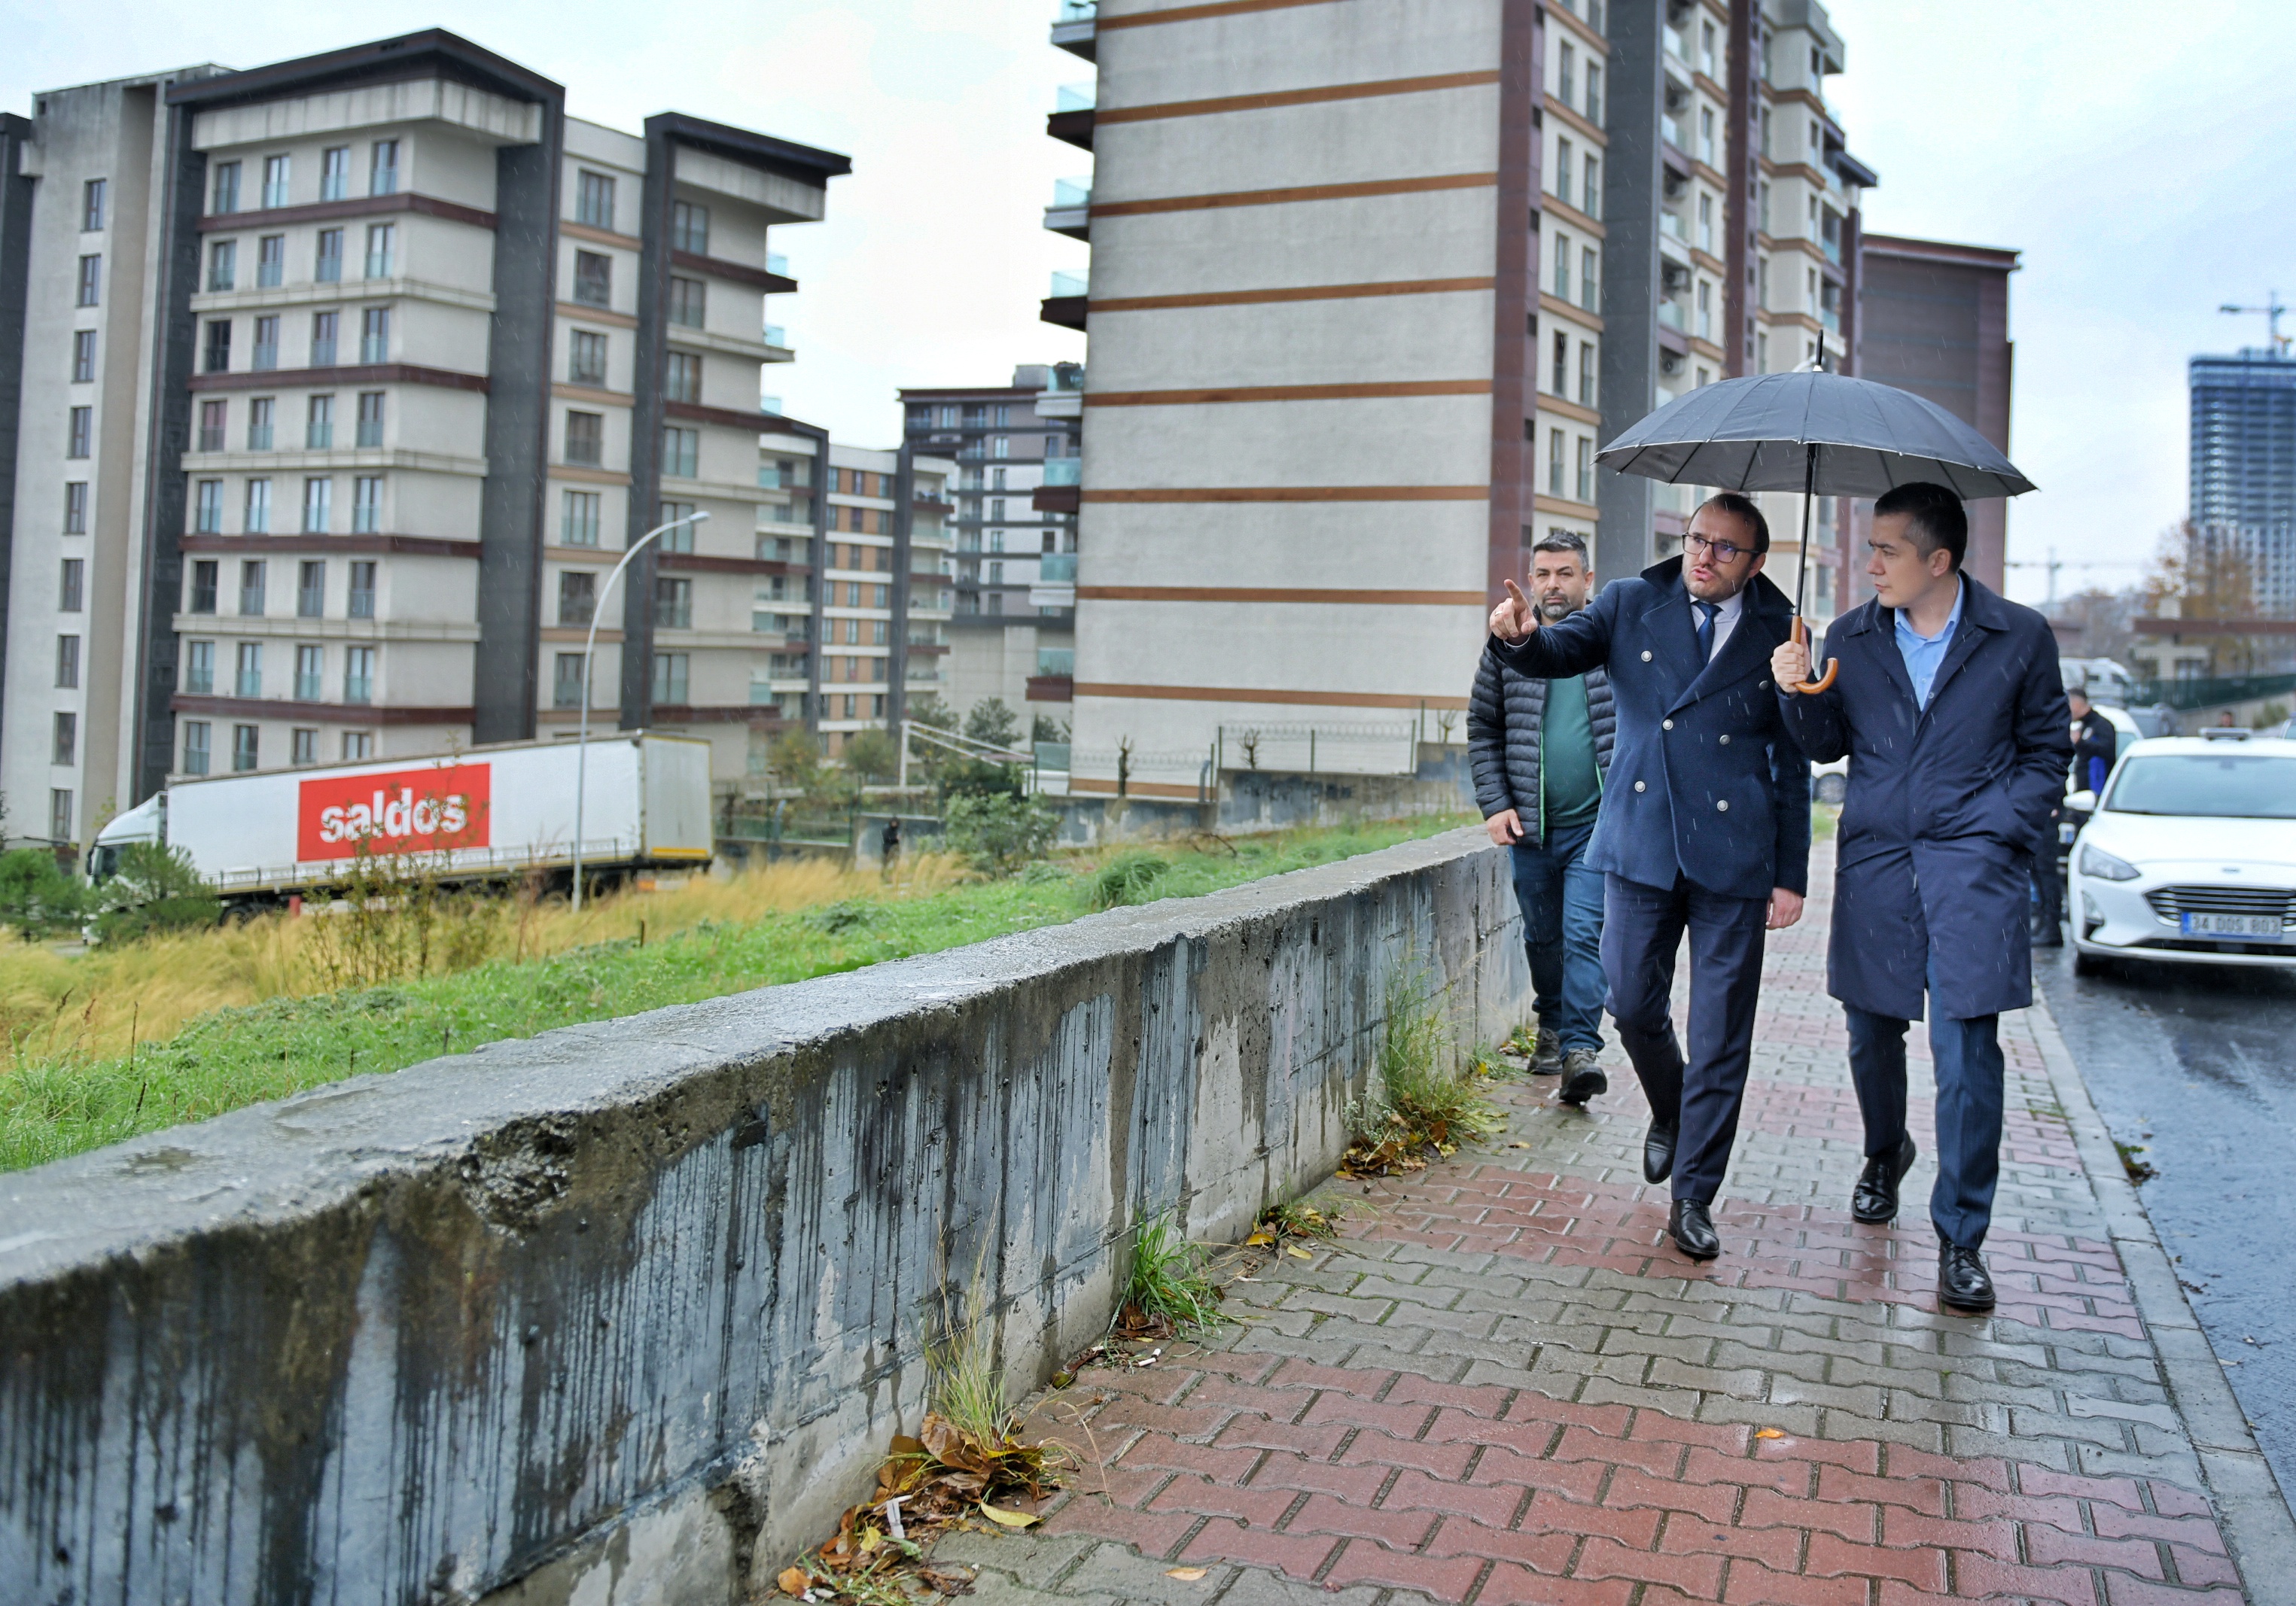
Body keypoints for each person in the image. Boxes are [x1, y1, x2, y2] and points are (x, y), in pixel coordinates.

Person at [1772, 482, 2071, 1314]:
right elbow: (1824, 746)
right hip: (1876, 864)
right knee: (1870, 1034)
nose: (1868, 564)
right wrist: (1798, 690)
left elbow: (2047, 751)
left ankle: (1960, 1237)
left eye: (1886, 550)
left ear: (1937, 560)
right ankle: (1882, 1151)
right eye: (1868, 548)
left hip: (1974, 870)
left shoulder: (2017, 637)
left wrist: (1998, 828)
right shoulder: (1852, 636)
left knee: (1968, 1055)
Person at [1488, 494, 1810, 1262]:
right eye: (1697, 538)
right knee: (1630, 1002)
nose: (1703, 556)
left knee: (1722, 1035)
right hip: (1637, 841)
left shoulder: (1782, 627)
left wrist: (1790, 872)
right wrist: (1520, 641)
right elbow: (1559, 652)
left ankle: (1693, 1196)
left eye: (1725, 549)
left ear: (1755, 561)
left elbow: (1798, 759)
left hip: (1733, 855)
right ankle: (1672, 1108)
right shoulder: (1632, 601)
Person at [1469, 533, 1615, 1104]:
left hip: (1596, 827)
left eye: (1566, 573)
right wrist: (1496, 803)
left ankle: (1581, 1049)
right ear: (1531, 582)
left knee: (1584, 935)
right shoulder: (1506, 645)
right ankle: (1550, 1026)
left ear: (1588, 580)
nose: (1554, 584)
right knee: (1544, 937)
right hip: (1530, 827)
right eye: (1544, 574)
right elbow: (1483, 727)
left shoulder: (1608, 641)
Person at [2069, 689, 2117, 793]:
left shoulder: (2101, 725)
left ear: (2076, 704)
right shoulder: (2084, 726)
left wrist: (2081, 743)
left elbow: (2106, 750)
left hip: (2096, 792)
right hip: (2083, 794)